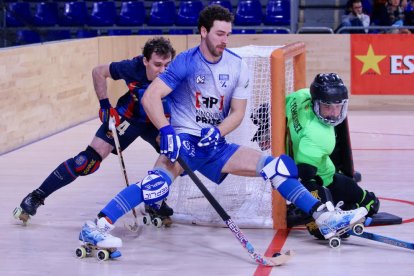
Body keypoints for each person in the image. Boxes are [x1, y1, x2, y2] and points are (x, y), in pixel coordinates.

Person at [77, 5, 368, 253]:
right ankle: (96, 227)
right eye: (219, 33)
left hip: (213, 143)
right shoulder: (184, 63)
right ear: (203, 31)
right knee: (156, 186)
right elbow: (152, 96)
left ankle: (324, 217)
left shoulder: (237, 66)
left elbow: (238, 113)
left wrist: (219, 131)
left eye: (228, 33)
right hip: (184, 140)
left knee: (276, 168)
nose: (224, 39)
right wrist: (166, 131)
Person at [13, 37, 177, 224]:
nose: (163, 70)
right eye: (157, 65)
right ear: (145, 60)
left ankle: (154, 200)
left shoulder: (176, 71)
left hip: (159, 121)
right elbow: (98, 72)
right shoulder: (131, 67)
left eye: (167, 64)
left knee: (175, 156)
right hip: (129, 118)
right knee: (86, 162)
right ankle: (36, 196)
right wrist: (105, 106)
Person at [251, 73, 380, 239]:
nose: (333, 114)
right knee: (319, 225)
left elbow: (307, 177)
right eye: (327, 107)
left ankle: (365, 202)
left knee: (325, 223)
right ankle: (358, 204)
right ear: (315, 103)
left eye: (337, 107)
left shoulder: (302, 96)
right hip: (315, 175)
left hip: (323, 176)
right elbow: (306, 178)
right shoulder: (318, 131)